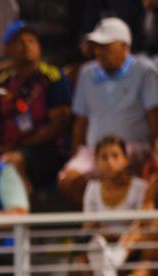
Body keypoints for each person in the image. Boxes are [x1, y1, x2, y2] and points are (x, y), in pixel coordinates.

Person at [57, 17, 158, 208]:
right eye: (96, 46)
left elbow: (155, 119)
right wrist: (74, 156)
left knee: (117, 165)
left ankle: (126, 222)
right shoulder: (86, 73)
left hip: (134, 150)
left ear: (125, 46)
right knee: (68, 180)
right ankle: (96, 219)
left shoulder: (145, 71)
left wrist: (155, 154)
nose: (99, 52)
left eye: (106, 46)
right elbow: (80, 122)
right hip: (94, 151)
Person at [75, 135, 151, 276]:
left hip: (133, 251)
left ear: (126, 159)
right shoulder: (91, 189)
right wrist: (108, 236)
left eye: (115, 156)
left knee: (149, 244)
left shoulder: (141, 187)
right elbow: (89, 227)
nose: (110, 162)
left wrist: (115, 237)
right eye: (104, 157)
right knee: (81, 264)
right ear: (96, 162)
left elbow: (141, 226)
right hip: (100, 250)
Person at [0, 21, 71, 198]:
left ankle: (23, 212)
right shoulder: (0, 83)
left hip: (45, 150)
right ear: (6, 49)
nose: (27, 46)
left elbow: (59, 124)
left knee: (12, 162)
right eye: (20, 41)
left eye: (32, 40)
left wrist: (22, 145)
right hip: (7, 147)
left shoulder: (53, 77)